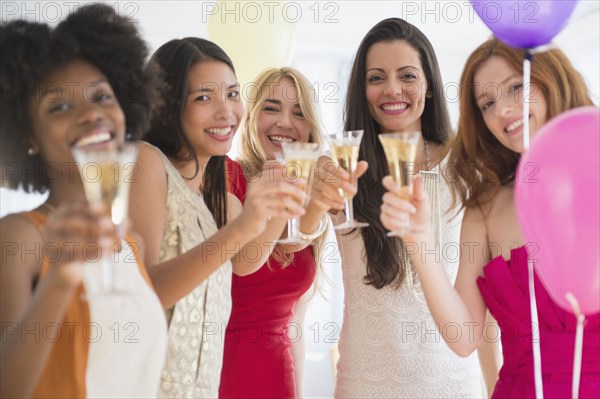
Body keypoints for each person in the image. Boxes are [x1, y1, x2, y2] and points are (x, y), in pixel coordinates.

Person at [381, 38, 600, 397]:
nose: (503, 110)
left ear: (551, 80)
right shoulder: (486, 207)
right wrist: (418, 238)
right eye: (488, 103)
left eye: (517, 87)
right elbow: (464, 338)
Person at [0, 4, 167, 398]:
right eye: (59, 106)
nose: (92, 114)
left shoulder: (130, 245)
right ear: (27, 135)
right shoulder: (20, 237)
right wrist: (58, 280)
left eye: (102, 96)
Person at [128, 40, 306, 398]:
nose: (226, 112)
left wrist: (286, 202)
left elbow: (246, 262)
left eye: (232, 94)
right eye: (204, 98)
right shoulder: (148, 162)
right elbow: (142, 292)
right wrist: (243, 226)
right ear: (167, 106)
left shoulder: (212, 193)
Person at [334, 18, 483, 397]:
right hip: (365, 385)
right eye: (376, 77)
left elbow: (484, 309)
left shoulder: (467, 168)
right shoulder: (342, 169)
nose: (393, 89)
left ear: (429, 86)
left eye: (407, 76)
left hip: (453, 383)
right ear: (361, 89)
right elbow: (298, 238)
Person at [219, 67, 358, 399]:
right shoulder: (227, 176)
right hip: (223, 372)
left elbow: (295, 324)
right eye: (271, 108)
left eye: (298, 113)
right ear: (251, 117)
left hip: (278, 377)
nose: (284, 122)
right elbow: (244, 260)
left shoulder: (311, 199)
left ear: (309, 127)